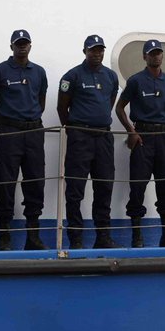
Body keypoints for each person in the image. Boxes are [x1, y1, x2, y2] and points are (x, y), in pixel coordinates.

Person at [115, 39, 165, 247]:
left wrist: (162, 125)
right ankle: (137, 236)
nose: (156, 56)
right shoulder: (135, 81)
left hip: (164, 138)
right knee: (138, 186)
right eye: (151, 53)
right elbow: (119, 108)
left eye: (158, 53)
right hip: (142, 138)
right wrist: (131, 131)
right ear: (144, 57)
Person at [0, 29, 49, 251]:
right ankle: (4, 236)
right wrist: (3, 125)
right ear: (11, 46)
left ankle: (33, 236)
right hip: (9, 132)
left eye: (25, 43)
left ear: (30, 46)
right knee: (5, 182)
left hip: (33, 132)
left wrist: (28, 120)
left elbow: (40, 102)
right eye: (18, 43)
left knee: (35, 181)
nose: (22, 46)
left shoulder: (39, 72)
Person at [57, 35, 120, 249]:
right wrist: (76, 130)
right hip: (80, 138)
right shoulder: (72, 76)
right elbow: (61, 108)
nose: (97, 53)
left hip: (103, 137)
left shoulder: (111, 77)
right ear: (84, 51)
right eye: (93, 50)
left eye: (100, 49)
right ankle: (75, 238)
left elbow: (109, 102)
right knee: (75, 189)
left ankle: (103, 237)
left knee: (104, 187)